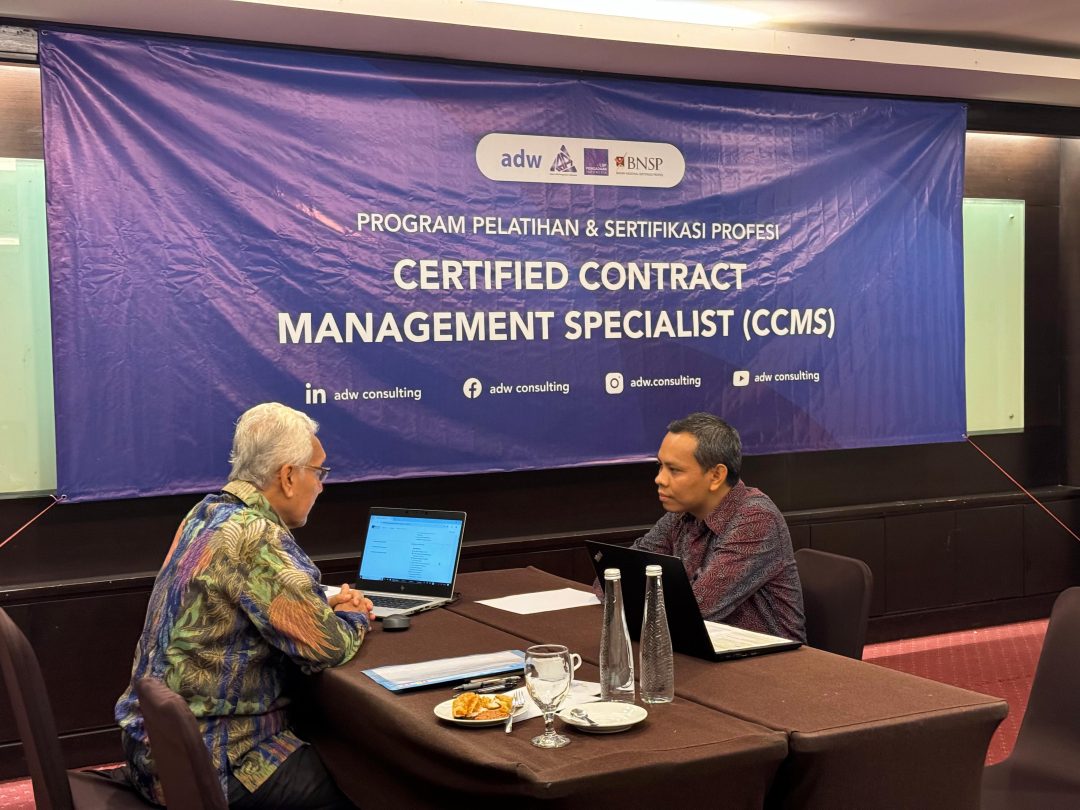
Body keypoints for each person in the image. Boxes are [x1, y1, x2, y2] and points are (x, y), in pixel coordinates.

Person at [115, 402, 374, 809]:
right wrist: (354, 613)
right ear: (288, 476)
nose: (321, 486)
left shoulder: (206, 512)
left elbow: (238, 598)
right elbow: (328, 647)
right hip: (215, 763)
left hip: (152, 750)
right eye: (318, 472)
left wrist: (318, 604)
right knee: (367, 783)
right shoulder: (256, 535)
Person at [633, 412, 805, 642]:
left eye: (674, 470)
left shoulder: (756, 518)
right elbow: (614, 578)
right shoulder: (681, 514)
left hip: (770, 659)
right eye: (660, 466)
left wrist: (632, 598)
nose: (660, 479)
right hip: (701, 647)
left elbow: (695, 609)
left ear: (716, 475)